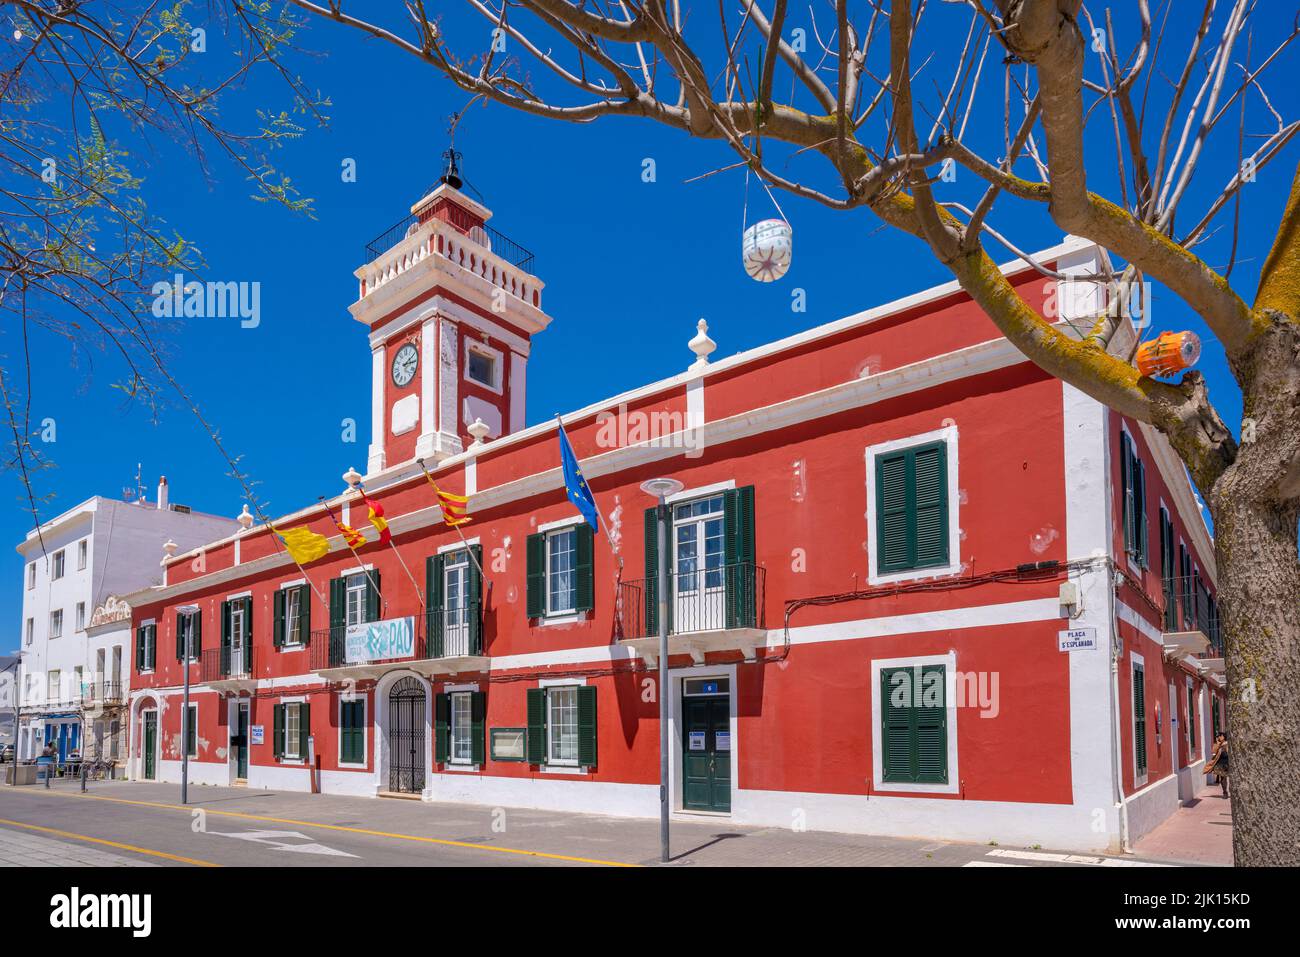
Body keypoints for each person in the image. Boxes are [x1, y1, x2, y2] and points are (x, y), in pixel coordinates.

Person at [1206, 732, 1230, 798]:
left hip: (1227, 763)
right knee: (1223, 778)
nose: (1218, 737)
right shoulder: (1217, 745)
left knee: (1225, 778)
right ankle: (1225, 792)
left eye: (1219, 736)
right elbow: (1213, 754)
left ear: (1223, 736)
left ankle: (1227, 792)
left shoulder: (1227, 744)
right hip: (1220, 764)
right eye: (1218, 736)